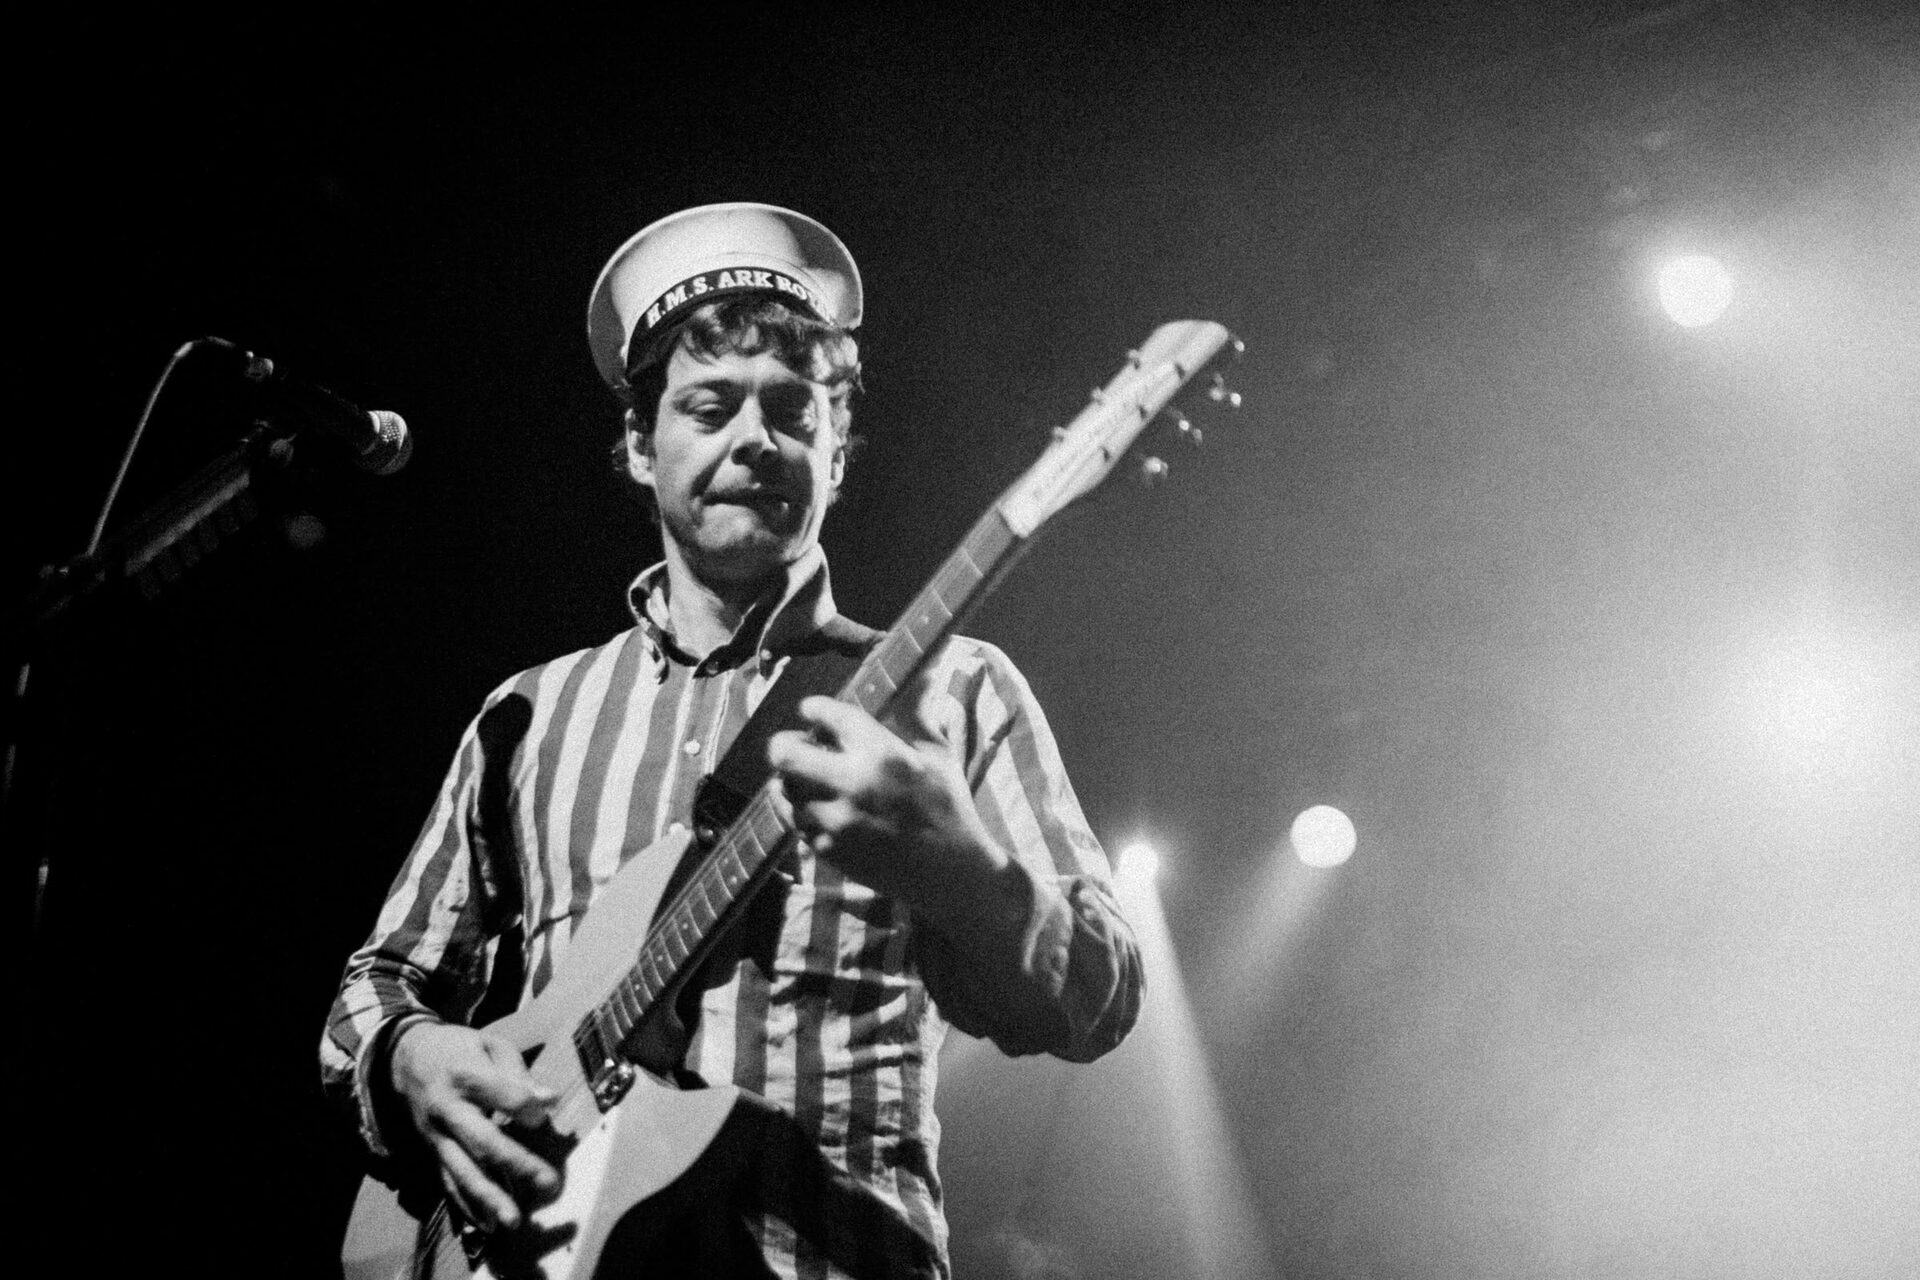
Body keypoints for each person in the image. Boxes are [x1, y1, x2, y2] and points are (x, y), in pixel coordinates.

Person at [322, 202, 1143, 1279]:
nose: (755, 438)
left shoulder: (955, 688)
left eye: (794, 412)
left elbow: (1101, 995)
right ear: (636, 443)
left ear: (837, 450)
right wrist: (417, 1055)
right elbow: (376, 980)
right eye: (710, 407)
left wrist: (962, 867)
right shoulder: (526, 711)